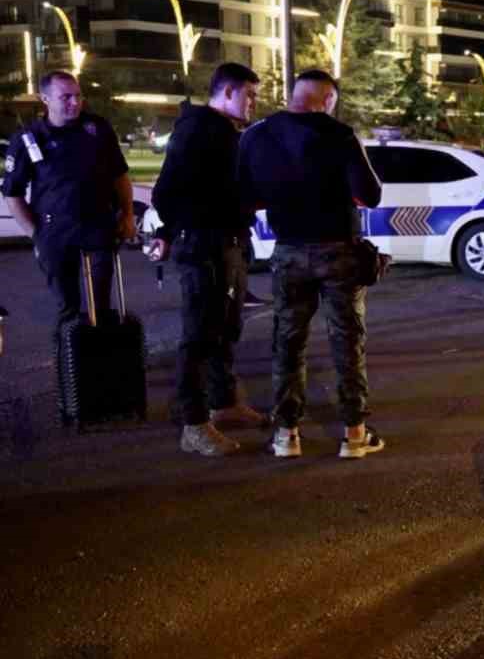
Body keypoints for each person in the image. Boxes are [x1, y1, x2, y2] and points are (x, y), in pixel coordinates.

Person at [236, 69, 385, 460]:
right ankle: (354, 433)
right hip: (338, 250)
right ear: (328, 99)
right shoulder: (339, 135)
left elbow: (245, 196)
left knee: (287, 343)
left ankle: (286, 434)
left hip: (288, 252)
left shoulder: (257, 135)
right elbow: (370, 195)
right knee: (347, 341)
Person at [147, 63, 270, 456]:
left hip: (228, 242)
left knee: (226, 328)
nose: (254, 102)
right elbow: (167, 192)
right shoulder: (198, 129)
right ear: (228, 92)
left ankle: (224, 402)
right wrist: (185, 228)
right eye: (249, 94)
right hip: (203, 245)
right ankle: (194, 423)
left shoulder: (225, 133)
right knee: (199, 335)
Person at [3, 70, 134, 328]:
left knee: (101, 308)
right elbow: (12, 193)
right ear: (45, 99)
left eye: (78, 96)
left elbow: (120, 176)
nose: (75, 103)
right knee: (68, 309)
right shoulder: (29, 139)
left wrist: (128, 215)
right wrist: (36, 235)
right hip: (55, 233)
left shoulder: (97, 129)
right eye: (66, 97)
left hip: (98, 228)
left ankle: (103, 362)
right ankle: (71, 364)